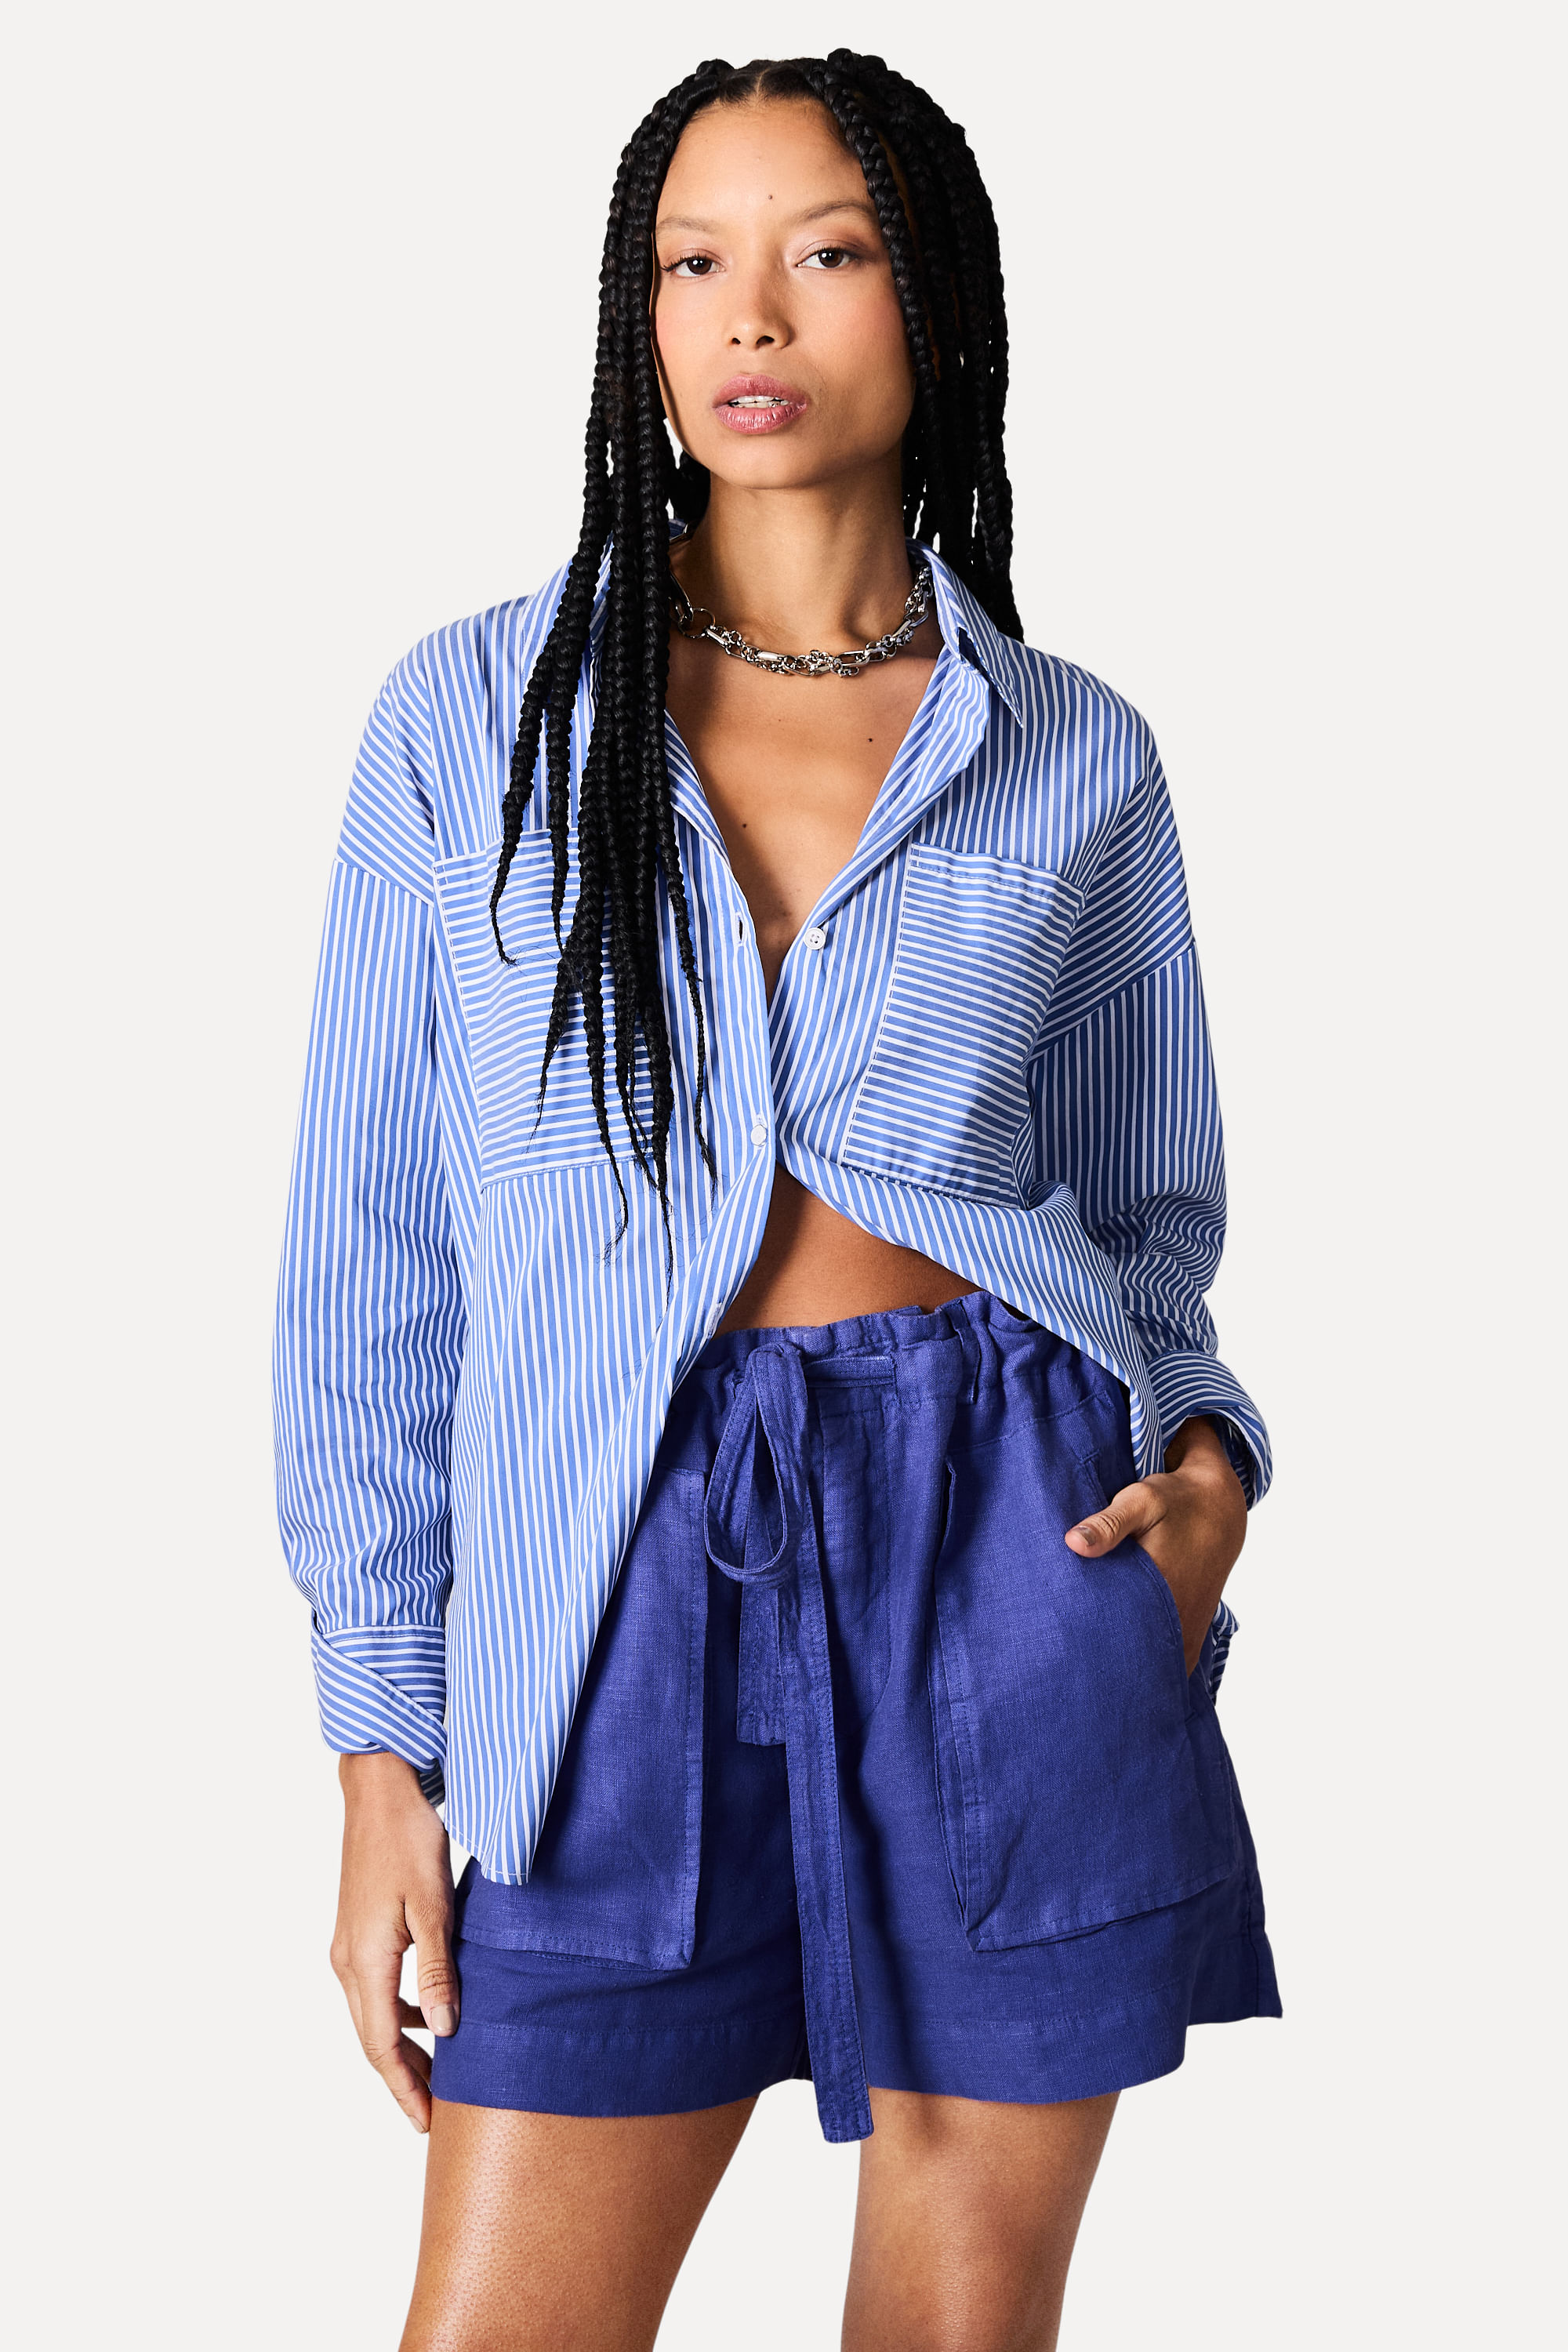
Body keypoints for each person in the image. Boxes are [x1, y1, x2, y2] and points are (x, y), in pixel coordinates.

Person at [274, 49, 1280, 2351]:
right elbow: (377, 1265)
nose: (751, 316)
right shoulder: (474, 721)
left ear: (936, 300)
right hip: (613, 1576)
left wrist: (1211, 1472)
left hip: (1012, 1551)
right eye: (691, 262)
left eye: (826, 253)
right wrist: (381, 1749)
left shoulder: (1073, 752)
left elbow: (1149, 1213)